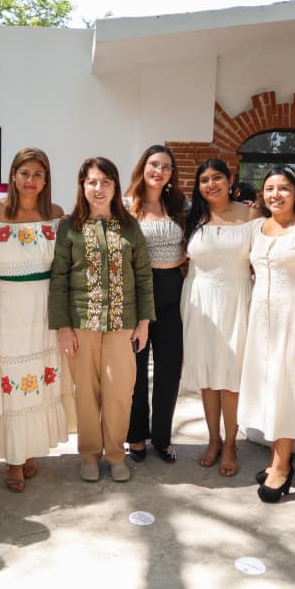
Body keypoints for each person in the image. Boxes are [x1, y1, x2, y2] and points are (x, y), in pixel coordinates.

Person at [50, 157, 154, 483]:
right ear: (82, 186)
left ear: (115, 187)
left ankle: (116, 455)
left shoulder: (130, 227)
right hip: (82, 323)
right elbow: (59, 279)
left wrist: (144, 322)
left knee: (120, 392)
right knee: (85, 393)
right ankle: (89, 455)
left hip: (123, 323)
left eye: (106, 182)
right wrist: (63, 328)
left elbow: (143, 276)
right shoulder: (69, 227)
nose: (99, 188)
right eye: (92, 182)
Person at [238, 167, 295, 502]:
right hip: (262, 320)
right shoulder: (257, 228)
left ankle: (282, 465)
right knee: (269, 387)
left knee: (287, 387)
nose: (275, 194)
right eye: (269, 188)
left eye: (283, 188)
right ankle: (275, 458)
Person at [0, 147, 71, 492]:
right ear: (13, 175)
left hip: (44, 305)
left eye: (38, 174)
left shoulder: (55, 214)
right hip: (5, 306)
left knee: (39, 377)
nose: (30, 180)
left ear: (46, 179)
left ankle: (30, 449)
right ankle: (14, 458)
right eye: (24, 173)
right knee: (12, 378)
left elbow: (64, 266)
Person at [180, 158, 261, 477]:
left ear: (230, 180)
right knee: (208, 375)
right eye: (204, 180)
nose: (211, 185)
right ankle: (213, 440)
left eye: (217, 178)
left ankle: (230, 444)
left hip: (236, 300)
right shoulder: (193, 217)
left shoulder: (251, 214)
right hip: (199, 301)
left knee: (230, 377)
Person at [123, 145, 187, 464]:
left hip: (171, 292)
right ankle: (136, 435)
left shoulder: (179, 206)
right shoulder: (126, 206)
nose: (159, 171)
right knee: (135, 371)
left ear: (172, 174)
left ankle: (161, 437)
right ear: (143, 167)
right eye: (153, 164)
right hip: (137, 293)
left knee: (169, 370)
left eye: (165, 166)